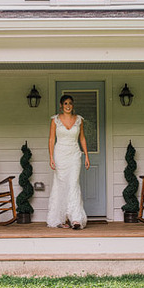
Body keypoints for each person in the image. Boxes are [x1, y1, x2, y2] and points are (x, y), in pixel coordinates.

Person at [46, 94, 90, 229]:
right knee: (61, 184)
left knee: (73, 184)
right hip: (60, 155)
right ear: (61, 105)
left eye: (70, 103)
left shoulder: (79, 120)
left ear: (73, 105)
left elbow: (82, 138)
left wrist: (87, 156)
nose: (68, 106)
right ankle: (60, 218)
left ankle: (75, 219)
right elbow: (51, 140)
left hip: (75, 155)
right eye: (65, 103)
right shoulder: (55, 120)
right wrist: (51, 157)